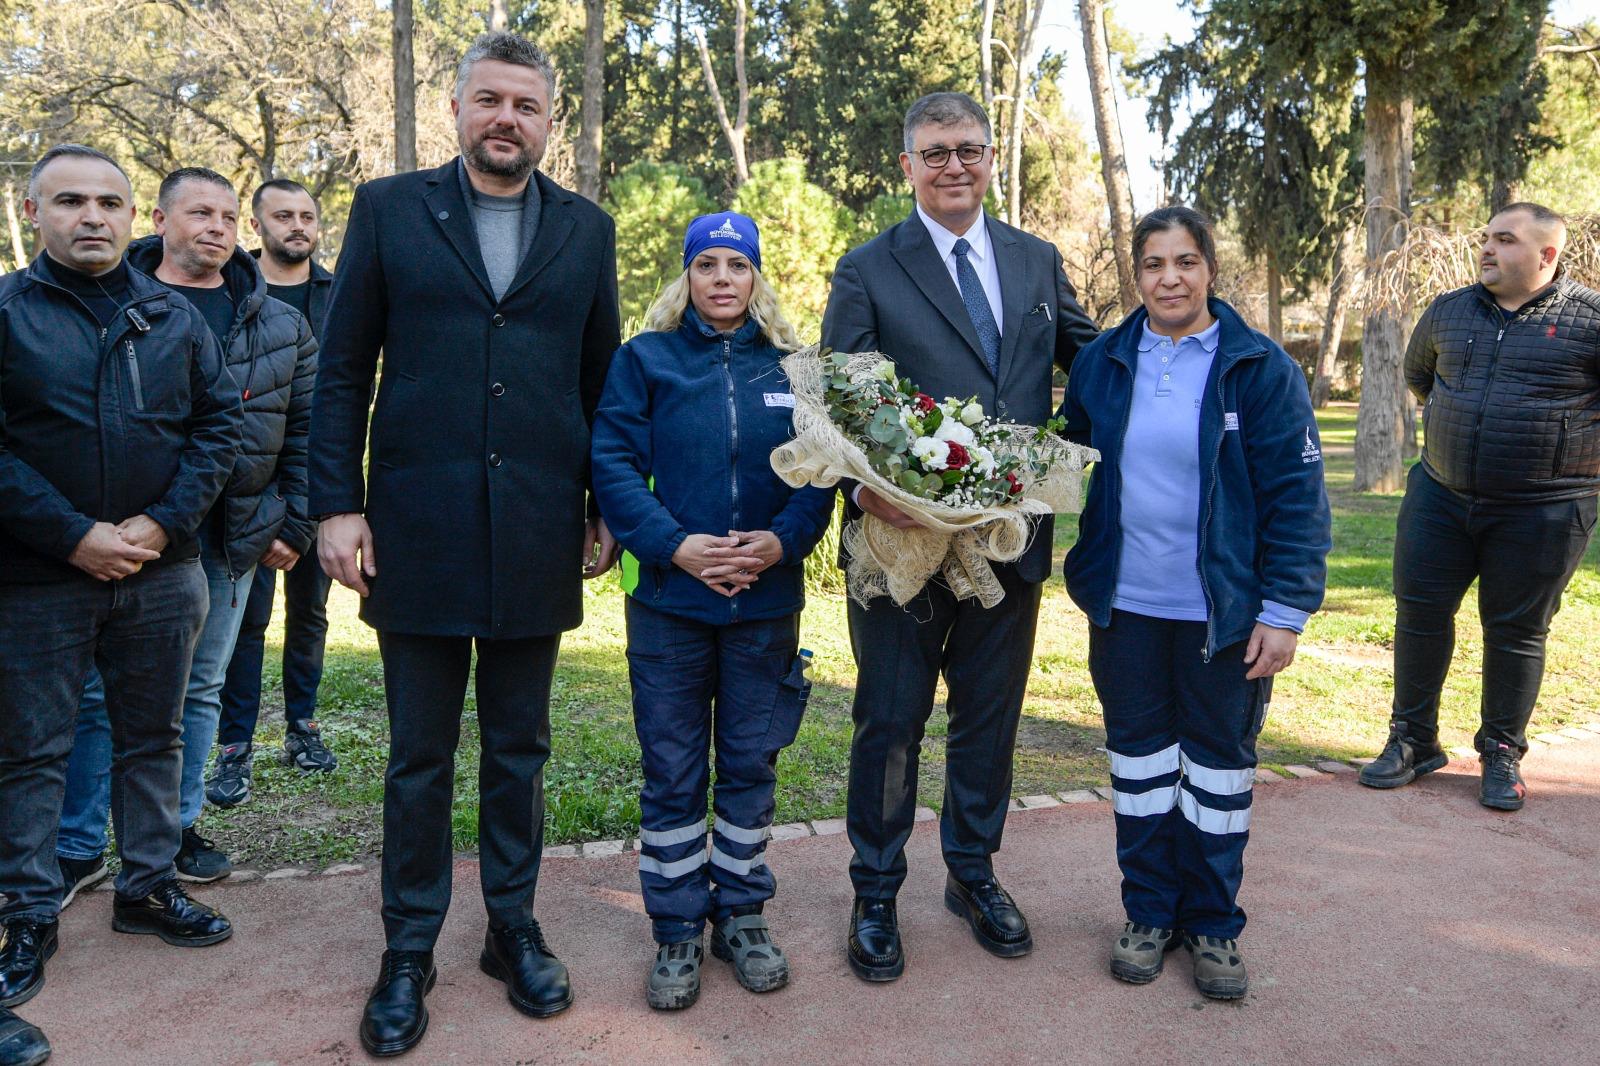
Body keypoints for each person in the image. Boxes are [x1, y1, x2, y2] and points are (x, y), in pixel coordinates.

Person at [310, 31, 621, 1057]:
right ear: (456, 109)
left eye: (526, 106)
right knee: (418, 756)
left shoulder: (588, 230)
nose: (506, 120)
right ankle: (408, 948)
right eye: (489, 100)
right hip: (418, 529)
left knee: (520, 751)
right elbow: (344, 366)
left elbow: (600, 383)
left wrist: (604, 502)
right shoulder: (391, 210)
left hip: (537, 526)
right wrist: (335, 505)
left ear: (548, 121)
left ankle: (512, 926)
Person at [820, 91, 1099, 982]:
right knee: (891, 722)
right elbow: (839, 397)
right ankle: (875, 891)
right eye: (935, 152)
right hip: (903, 548)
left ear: (990, 159)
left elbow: (1094, 360)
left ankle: (973, 874)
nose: (953, 165)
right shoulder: (869, 268)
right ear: (907, 166)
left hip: (1006, 544)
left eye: (969, 150)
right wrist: (869, 496)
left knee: (989, 720)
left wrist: (1197, 346)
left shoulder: (1036, 260)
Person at [1058, 205, 1331, 999]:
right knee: (1139, 769)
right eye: (1152, 264)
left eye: (1184, 262)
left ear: (1210, 269)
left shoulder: (1260, 367)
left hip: (1225, 619)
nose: (1168, 278)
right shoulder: (1105, 361)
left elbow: (1297, 499)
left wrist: (1284, 612)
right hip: (1127, 609)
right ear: (1135, 274)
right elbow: (1064, 460)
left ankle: (1212, 925)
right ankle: (1148, 913)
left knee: (1216, 776)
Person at [0, 144, 241, 1010]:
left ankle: (147, 886)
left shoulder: (169, 317)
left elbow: (219, 433)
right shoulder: (6, 312)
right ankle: (28, 910)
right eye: (70, 201)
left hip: (161, 573)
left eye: (109, 201)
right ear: (33, 211)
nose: (91, 216)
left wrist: (161, 523)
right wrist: (72, 537)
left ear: (133, 215)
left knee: (155, 738)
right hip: (37, 579)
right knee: (31, 753)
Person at [592, 213, 835, 1010]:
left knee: (750, 762)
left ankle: (743, 915)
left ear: (757, 278)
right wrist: (676, 545)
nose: (723, 278)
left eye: (738, 265)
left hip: (765, 602)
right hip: (669, 601)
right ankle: (674, 929)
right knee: (671, 770)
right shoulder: (645, 360)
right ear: (687, 277)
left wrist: (780, 542)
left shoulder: (794, 369)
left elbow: (819, 474)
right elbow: (614, 463)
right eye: (709, 265)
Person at [54, 166, 319, 891]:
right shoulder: (117, 302)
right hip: (127, 538)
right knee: (100, 697)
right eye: (200, 213)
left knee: (200, 692)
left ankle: (171, 832)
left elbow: (305, 433)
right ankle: (79, 844)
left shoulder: (279, 323)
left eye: (229, 217)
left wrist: (293, 522)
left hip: (229, 540)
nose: (217, 227)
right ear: (161, 221)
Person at [1359, 203, 1600, 810]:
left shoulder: (1591, 321)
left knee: (1516, 631)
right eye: (1486, 238)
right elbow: (1422, 378)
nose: (1487, 249)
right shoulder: (1449, 311)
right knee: (1419, 615)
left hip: (1544, 509)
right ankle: (1413, 741)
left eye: (1505, 240)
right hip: (1441, 495)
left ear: (1547, 255)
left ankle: (1500, 752)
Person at [210, 177, 339, 808]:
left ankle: (303, 726)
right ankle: (234, 745)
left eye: (307, 216)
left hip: (318, 480)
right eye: (282, 215)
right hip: (249, 490)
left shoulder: (339, 295)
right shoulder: (235, 293)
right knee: (246, 621)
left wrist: (316, 508)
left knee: (309, 613)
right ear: (257, 226)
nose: (297, 226)